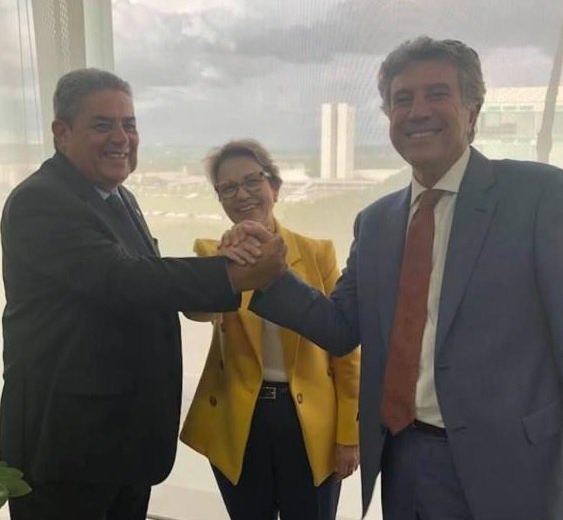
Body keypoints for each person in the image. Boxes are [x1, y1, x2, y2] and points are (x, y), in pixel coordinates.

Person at [228, 37, 563, 520]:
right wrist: (273, 276)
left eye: (437, 94)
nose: (417, 111)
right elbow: (342, 328)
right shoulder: (377, 221)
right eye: (402, 99)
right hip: (402, 457)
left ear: (472, 109)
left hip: (511, 466)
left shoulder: (539, 196)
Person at [0, 69, 284, 520]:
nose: (122, 138)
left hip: (121, 443)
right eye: (103, 125)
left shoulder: (119, 198)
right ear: (62, 133)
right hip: (67, 447)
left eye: (129, 124)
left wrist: (227, 263)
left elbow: (145, 284)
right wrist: (234, 274)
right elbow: (123, 278)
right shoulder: (41, 201)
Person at [180, 139, 360, 520]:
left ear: (274, 187)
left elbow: (345, 348)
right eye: (228, 188)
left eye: (251, 181)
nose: (242, 194)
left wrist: (349, 433)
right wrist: (225, 269)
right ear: (220, 199)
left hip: (311, 422)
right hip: (239, 421)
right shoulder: (212, 253)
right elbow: (197, 311)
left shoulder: (317, 252)